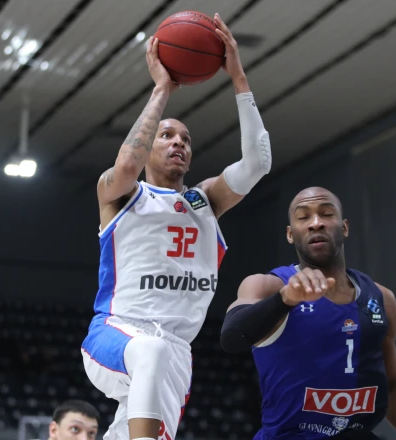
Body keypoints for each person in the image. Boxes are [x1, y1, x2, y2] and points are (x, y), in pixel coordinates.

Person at [81, 12, 272, 440]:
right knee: (148, 351)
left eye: (185, 139)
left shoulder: (205, 201)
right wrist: (162, 90)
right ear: (148, 145)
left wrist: (238, 78)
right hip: (118, 332)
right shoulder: (121, 194)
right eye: (167, 136)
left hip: (176, 351)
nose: (178, 143)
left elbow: (258, 163)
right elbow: (126, 165)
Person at [221, 187, 396, 439]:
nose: (316, 223)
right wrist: (285, 299)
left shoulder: (382, 299)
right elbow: (232, 337)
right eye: (303, 217)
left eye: (327, 214)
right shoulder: (268, 286)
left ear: (345, 227)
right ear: (290, 234)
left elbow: (392, 387)